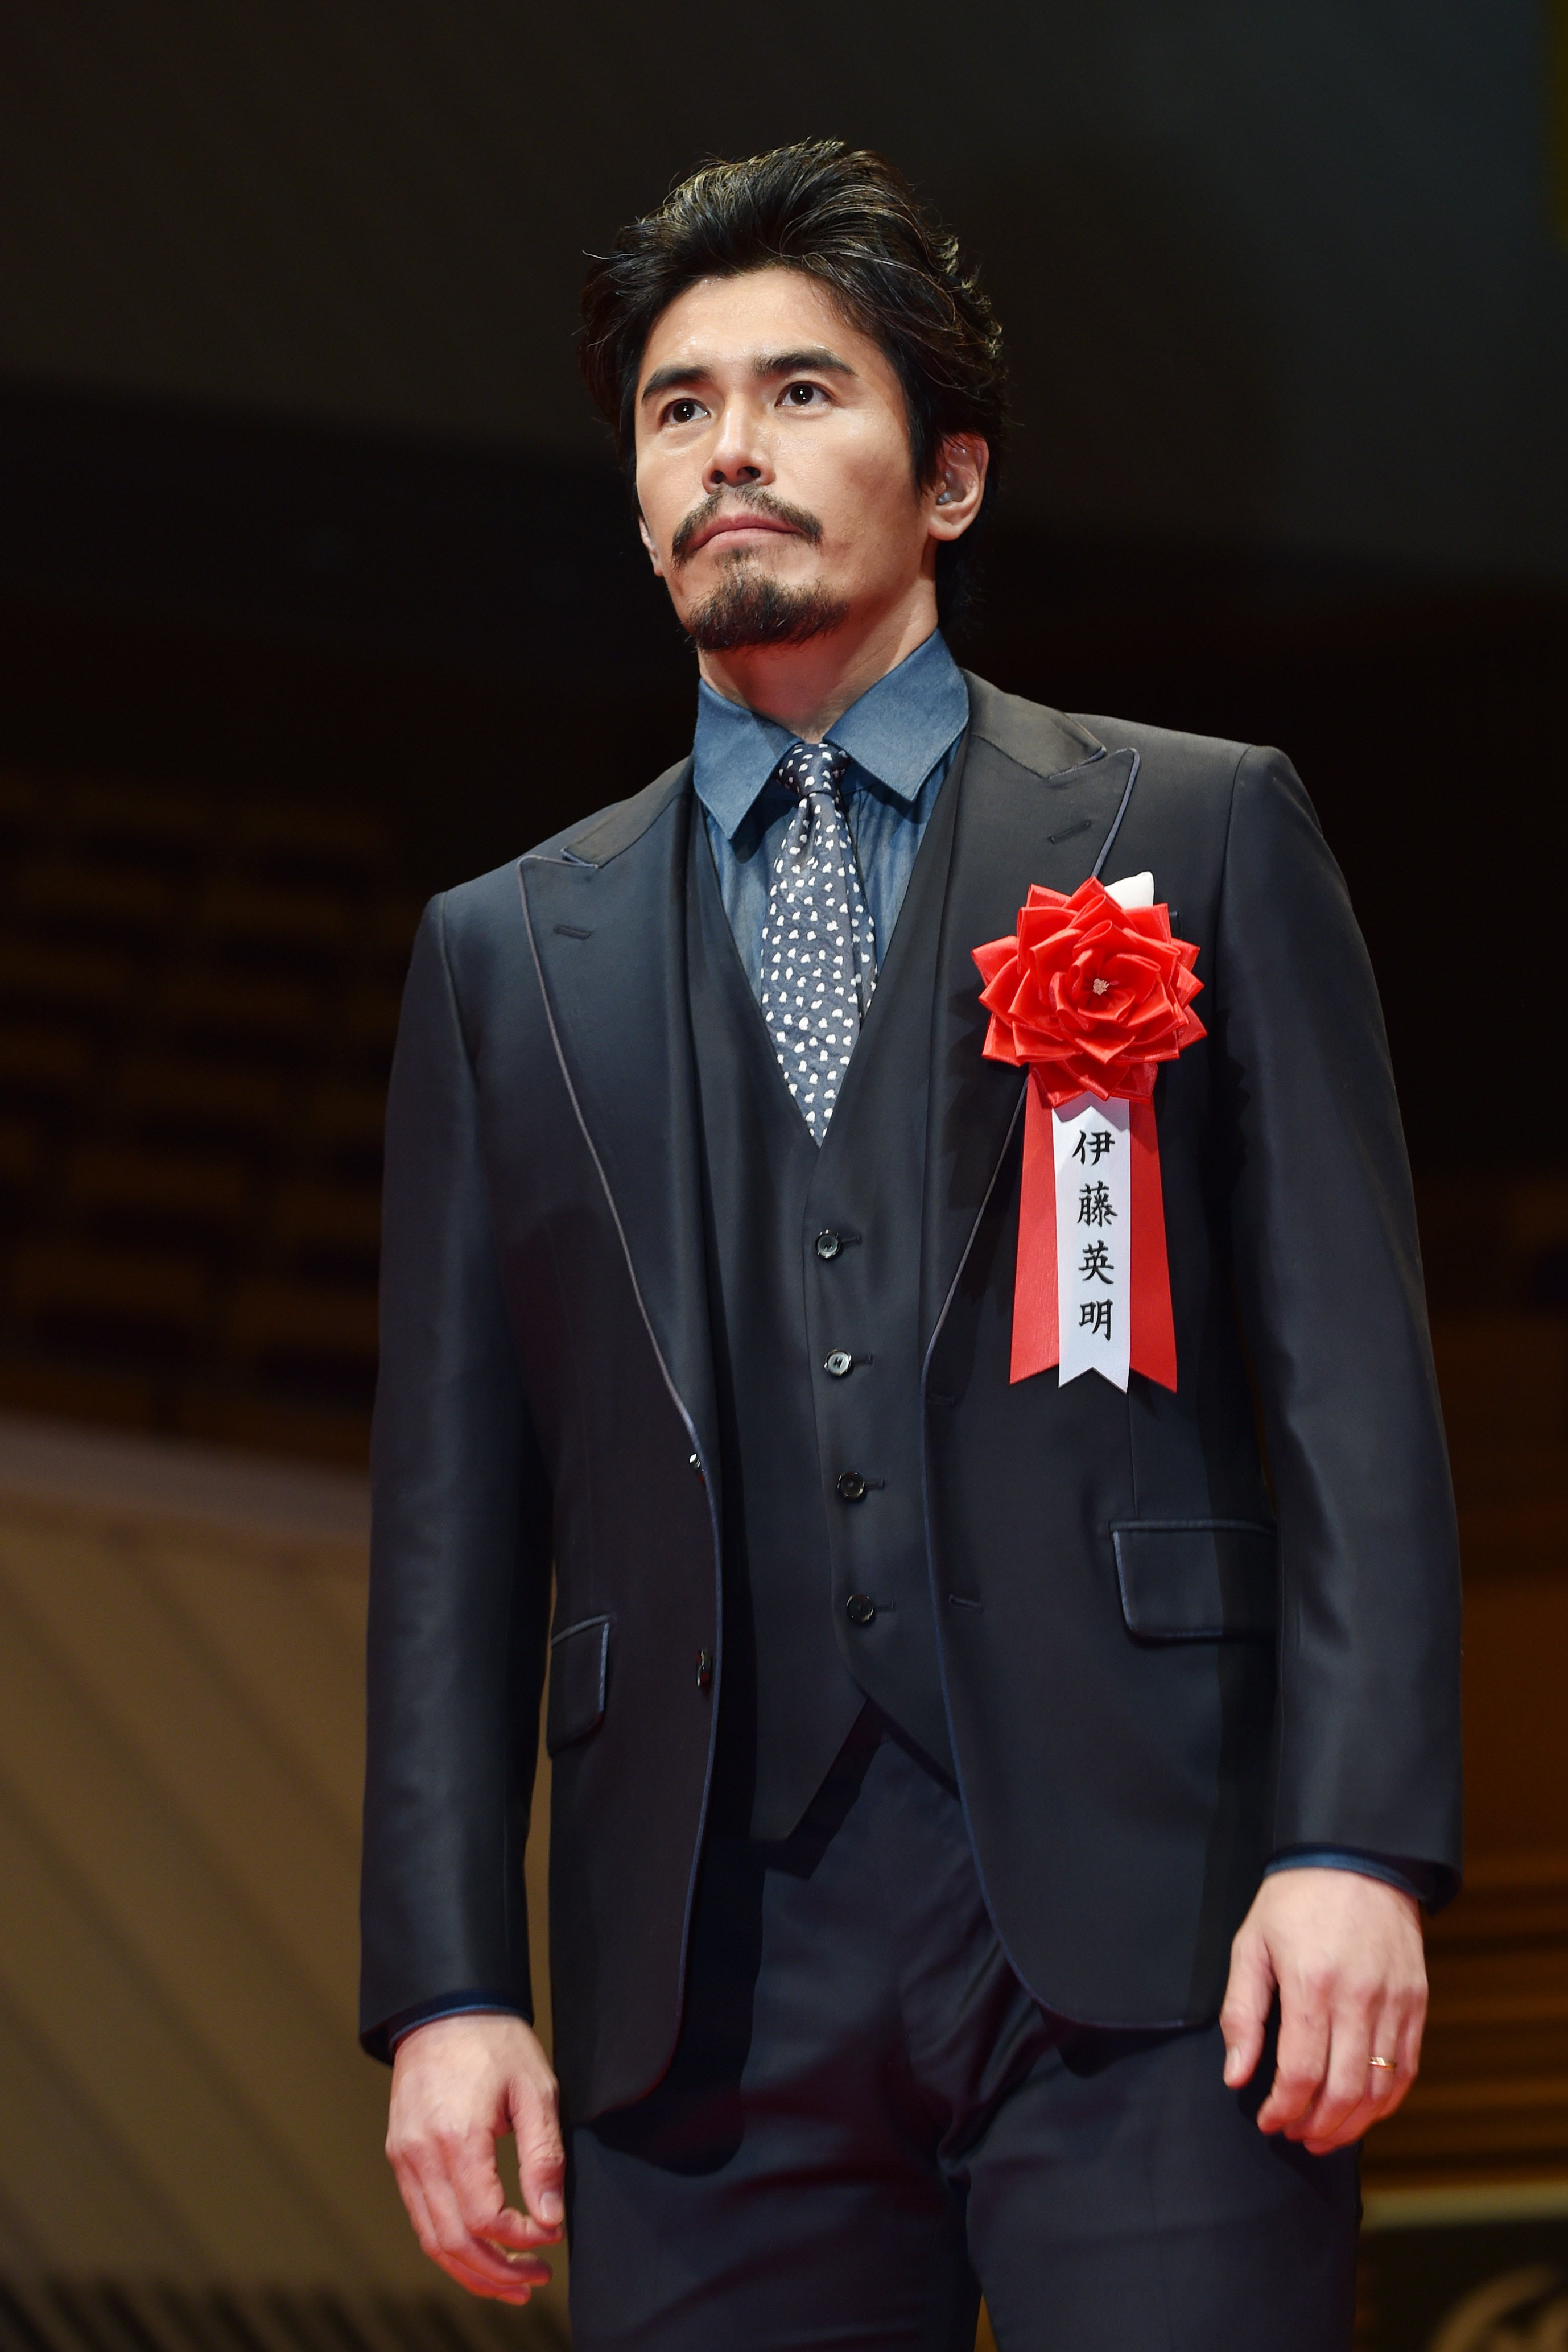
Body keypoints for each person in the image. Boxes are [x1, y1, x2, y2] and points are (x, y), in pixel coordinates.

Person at [360, 141, 1461, 2351]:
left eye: (799, 391)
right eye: (677, 409)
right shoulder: (503, 953)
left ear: (948, 479)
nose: (728, 449)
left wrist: (1354, 1844)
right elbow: (451, 1521)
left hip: (1156, 1920)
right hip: (702, 1974)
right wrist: (447, 1983)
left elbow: (1350, 1380)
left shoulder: (1184, 829)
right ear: (638, 498)